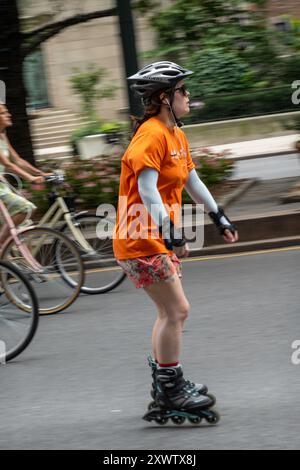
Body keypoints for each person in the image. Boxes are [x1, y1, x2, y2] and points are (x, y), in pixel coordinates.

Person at [113, 61, 239, 424]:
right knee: (177, 311)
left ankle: (165, 385)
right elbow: (146, 189)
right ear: (165, 97)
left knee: (168, 312)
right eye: (183, 91)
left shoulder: (176, 135)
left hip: (150, 237)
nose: (188, 96)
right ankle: (171, 388)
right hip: (141, 237)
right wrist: (171, 232)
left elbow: (192, 182)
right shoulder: (151, 134)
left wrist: (219, 216)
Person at [0, 103, 50, 247]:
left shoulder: (2, 135)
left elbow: (17, 160)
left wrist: (40, 173)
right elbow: (8, 164)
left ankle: (19, 266)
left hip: (2, 186)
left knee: (24, 226)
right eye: (3, 113)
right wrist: (31, 178)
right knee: (25, 208)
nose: (9, 115)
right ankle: (2, 244)